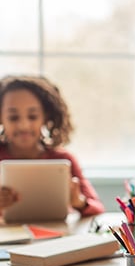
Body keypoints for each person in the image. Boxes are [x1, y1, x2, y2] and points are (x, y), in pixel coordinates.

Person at [0, 75, 105, 217]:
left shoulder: (63, 159)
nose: (23, 125)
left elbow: (97, 208)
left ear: (46, 117)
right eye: (13, 117)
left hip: (57, 236)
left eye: (33, 116)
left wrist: (78, 201)